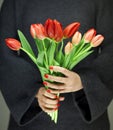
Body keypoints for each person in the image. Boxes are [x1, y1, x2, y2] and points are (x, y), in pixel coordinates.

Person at [0, 0, 113, 130]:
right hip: (33, 120)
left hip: (84, 121)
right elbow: (3, 53)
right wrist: (34, 92)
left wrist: (84, 81)